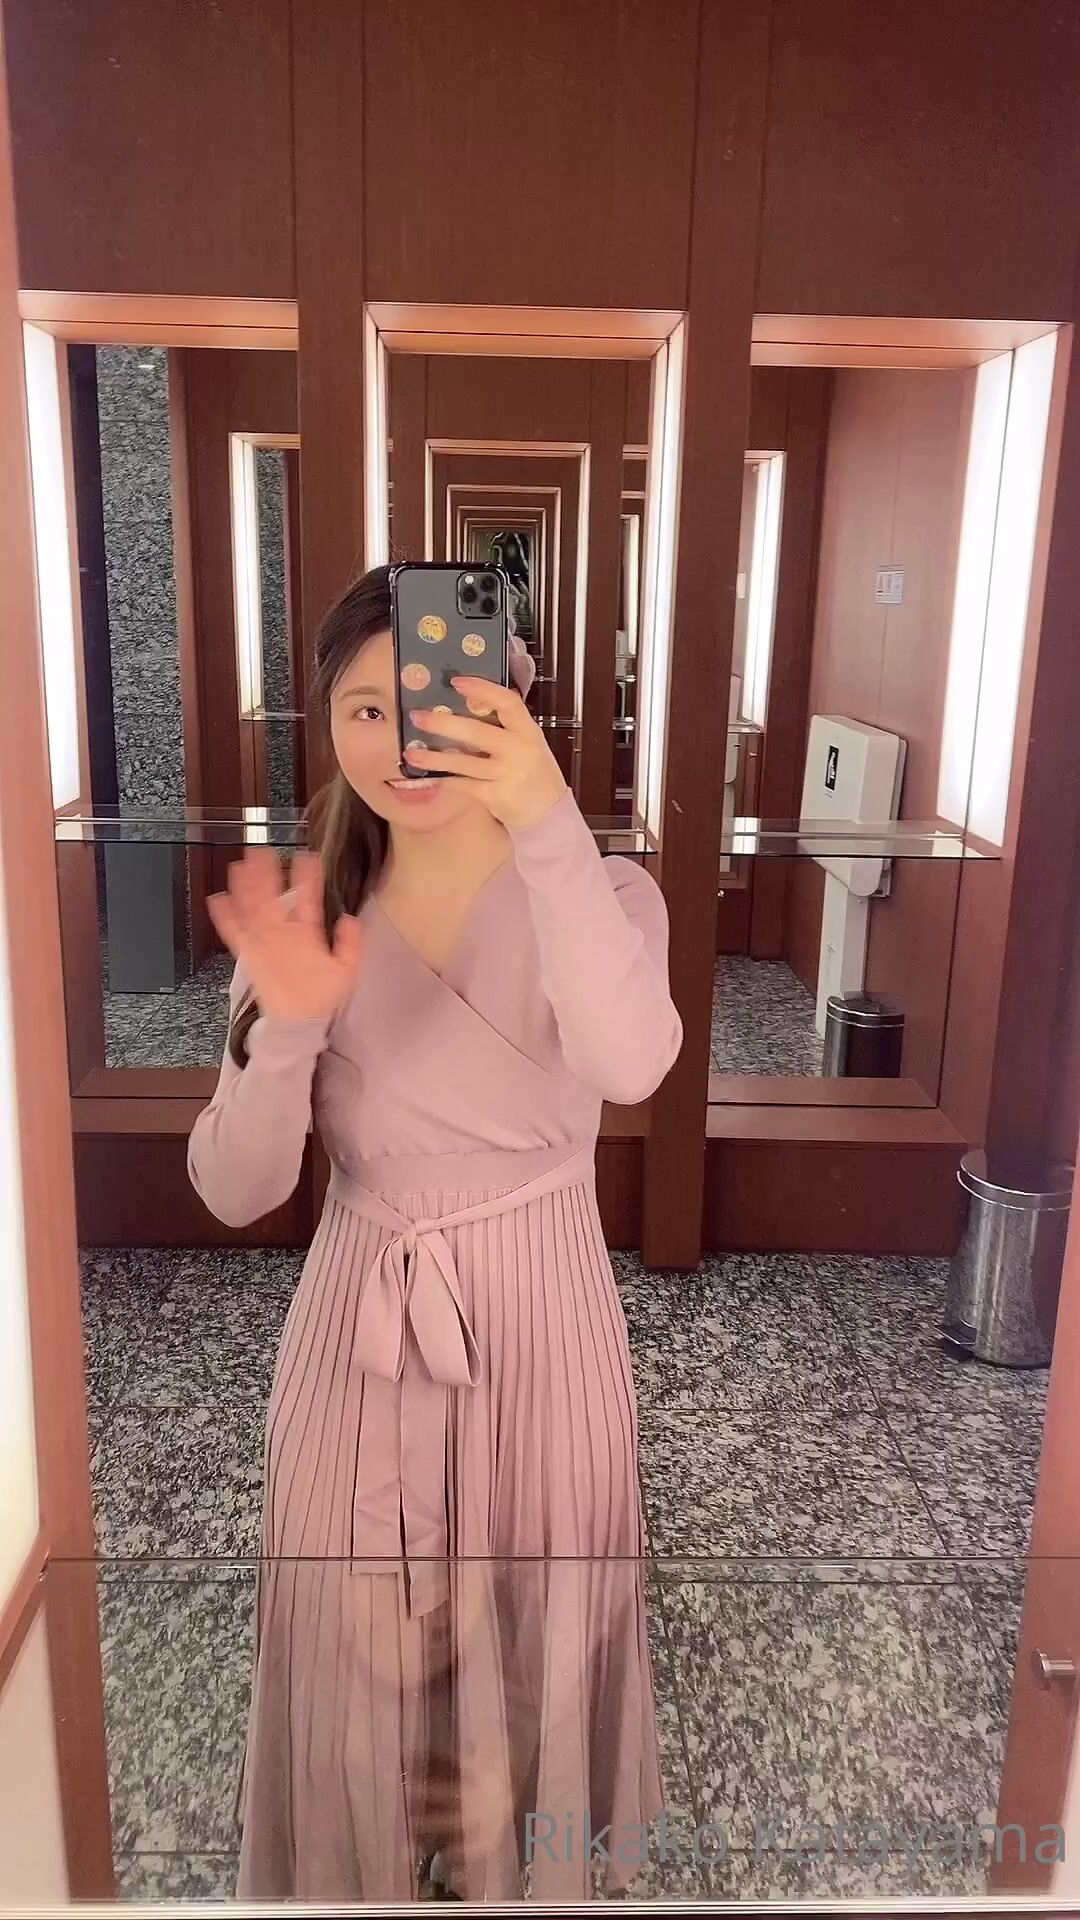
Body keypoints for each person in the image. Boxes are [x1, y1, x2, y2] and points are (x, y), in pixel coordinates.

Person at [187, 564, 684, 1903]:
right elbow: (234, 1188)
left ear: (513, 701)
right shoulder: (309, 914)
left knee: (539, 1629)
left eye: (446, 700)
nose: (404, 742)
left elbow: (632, 1065)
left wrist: (546, 818)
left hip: (542, 1325)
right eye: (366, 710)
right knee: (352, 1647)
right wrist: (288, 1027)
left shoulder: (604, 892)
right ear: (328, 728)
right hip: (360, 1326)